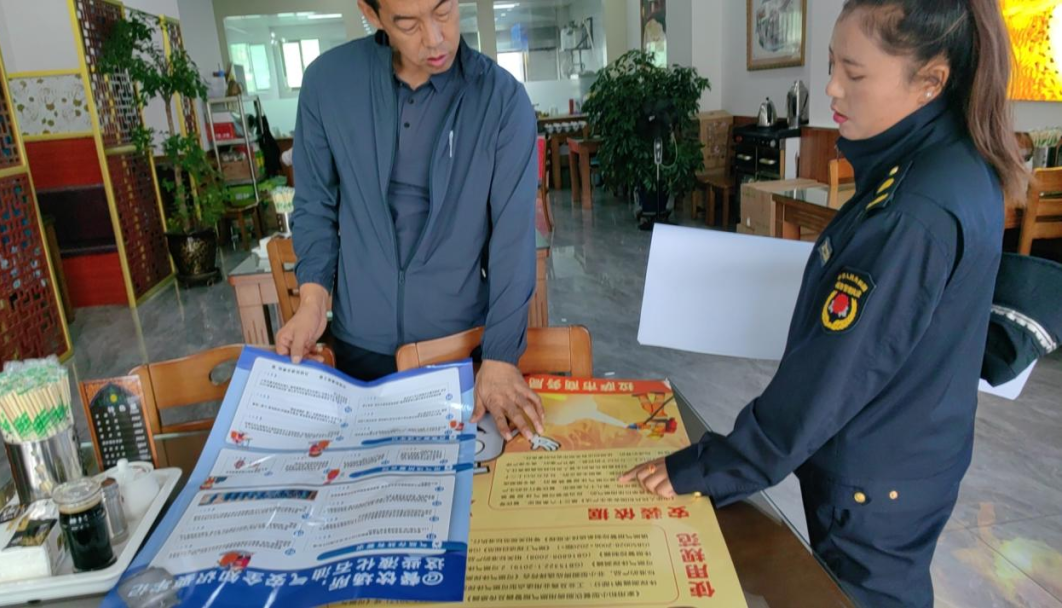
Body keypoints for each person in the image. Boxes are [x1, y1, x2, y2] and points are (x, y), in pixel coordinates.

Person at [621, 1, 1027, 606]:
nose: (832, 87)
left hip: (879, 476)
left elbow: (828, 380)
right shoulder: (943, 163)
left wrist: (707, 468)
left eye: (854, 74)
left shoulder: (915, 209)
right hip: (909, 451)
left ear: (930, 81)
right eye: (832, 64)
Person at [277, 0, 544, 442]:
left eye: (443, 10)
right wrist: (312, 302)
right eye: (408, 23)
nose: (435, 39)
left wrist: (500, 356)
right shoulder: (329, 84)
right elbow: (315, 207)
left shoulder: (501, 100)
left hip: (459, 350)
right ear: (371, 13)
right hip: (358, 350)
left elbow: (513, 241)